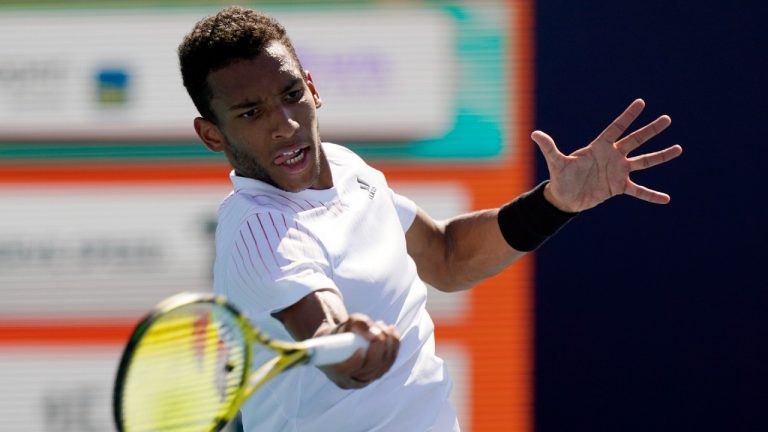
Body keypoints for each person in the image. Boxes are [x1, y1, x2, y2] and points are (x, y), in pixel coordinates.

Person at [178, 6, 682, 431]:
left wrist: (553, 203)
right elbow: (328, 336)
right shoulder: (259, 234)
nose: (285, 125)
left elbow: (447, 256)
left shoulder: (347, 167)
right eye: (250, 113)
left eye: (291, 96)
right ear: (212, 135)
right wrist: (347, 341)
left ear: (312, 88)